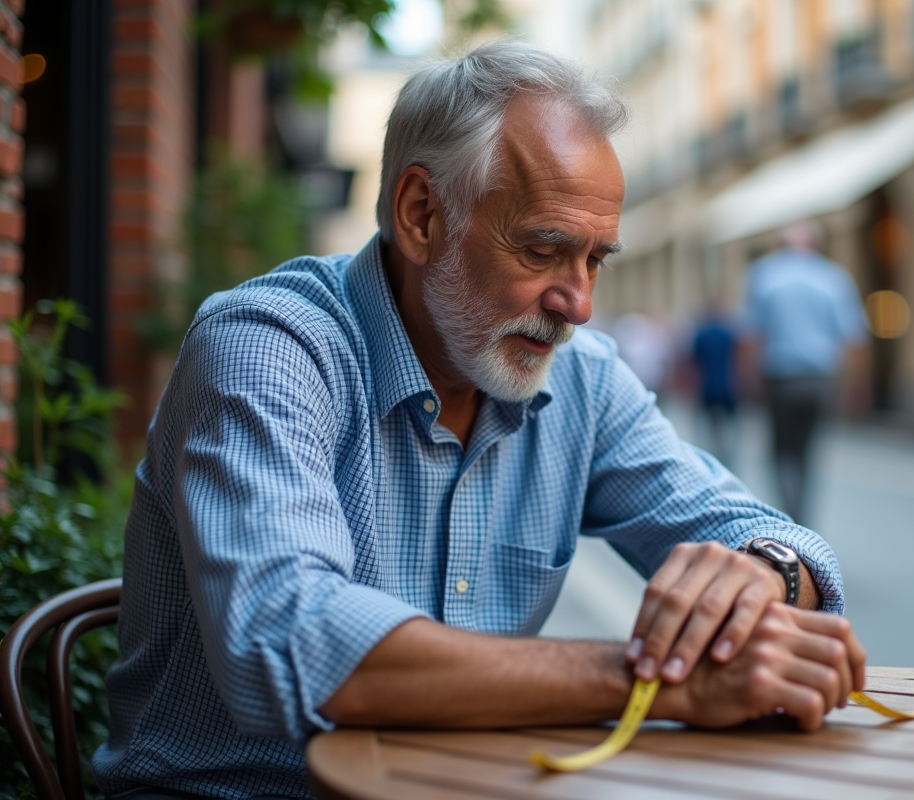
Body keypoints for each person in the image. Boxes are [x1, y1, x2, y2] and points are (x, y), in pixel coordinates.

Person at [94, 42, 865, 798]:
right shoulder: (268, 346)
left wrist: (763, 572)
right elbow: (297, 644)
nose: (579, 305)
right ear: (423, 214)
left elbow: (769, 533)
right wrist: (654, 681)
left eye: (596, 260)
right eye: (543, 249)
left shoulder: (581, 380)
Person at [741, 221, 868, 526]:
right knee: (808, 453)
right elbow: (853, 339)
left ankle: (790, 516)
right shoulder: (834, 277)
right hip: (820, 379)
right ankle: (803, 520)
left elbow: (750, 336)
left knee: (782, 452)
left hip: (781, 378)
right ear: (814, 245)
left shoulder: (763, 275)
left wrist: (748, 378)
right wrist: (857, 385)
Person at [691, 303, 740, 466]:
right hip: (728, 384)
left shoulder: (702, 334)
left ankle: (715, 454)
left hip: (707, 385)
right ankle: (727, 452)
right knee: (730, 421)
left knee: (711, 421)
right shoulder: (729, 333)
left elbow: (694, 361)